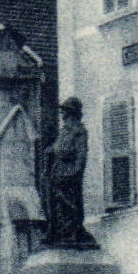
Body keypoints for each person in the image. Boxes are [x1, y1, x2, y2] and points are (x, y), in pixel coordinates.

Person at [45, 97, 90, 246]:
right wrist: (50, 150)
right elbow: (58, 147)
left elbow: (81, 156)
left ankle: (70, 233)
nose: (62, 113)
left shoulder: (78, 131)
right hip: (57, 173)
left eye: (64, 110)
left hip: (69, 174)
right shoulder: (64, 131)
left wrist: (74, 172)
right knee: (55, 204)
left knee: (68, 205)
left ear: (71, 112)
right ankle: (56, 232)